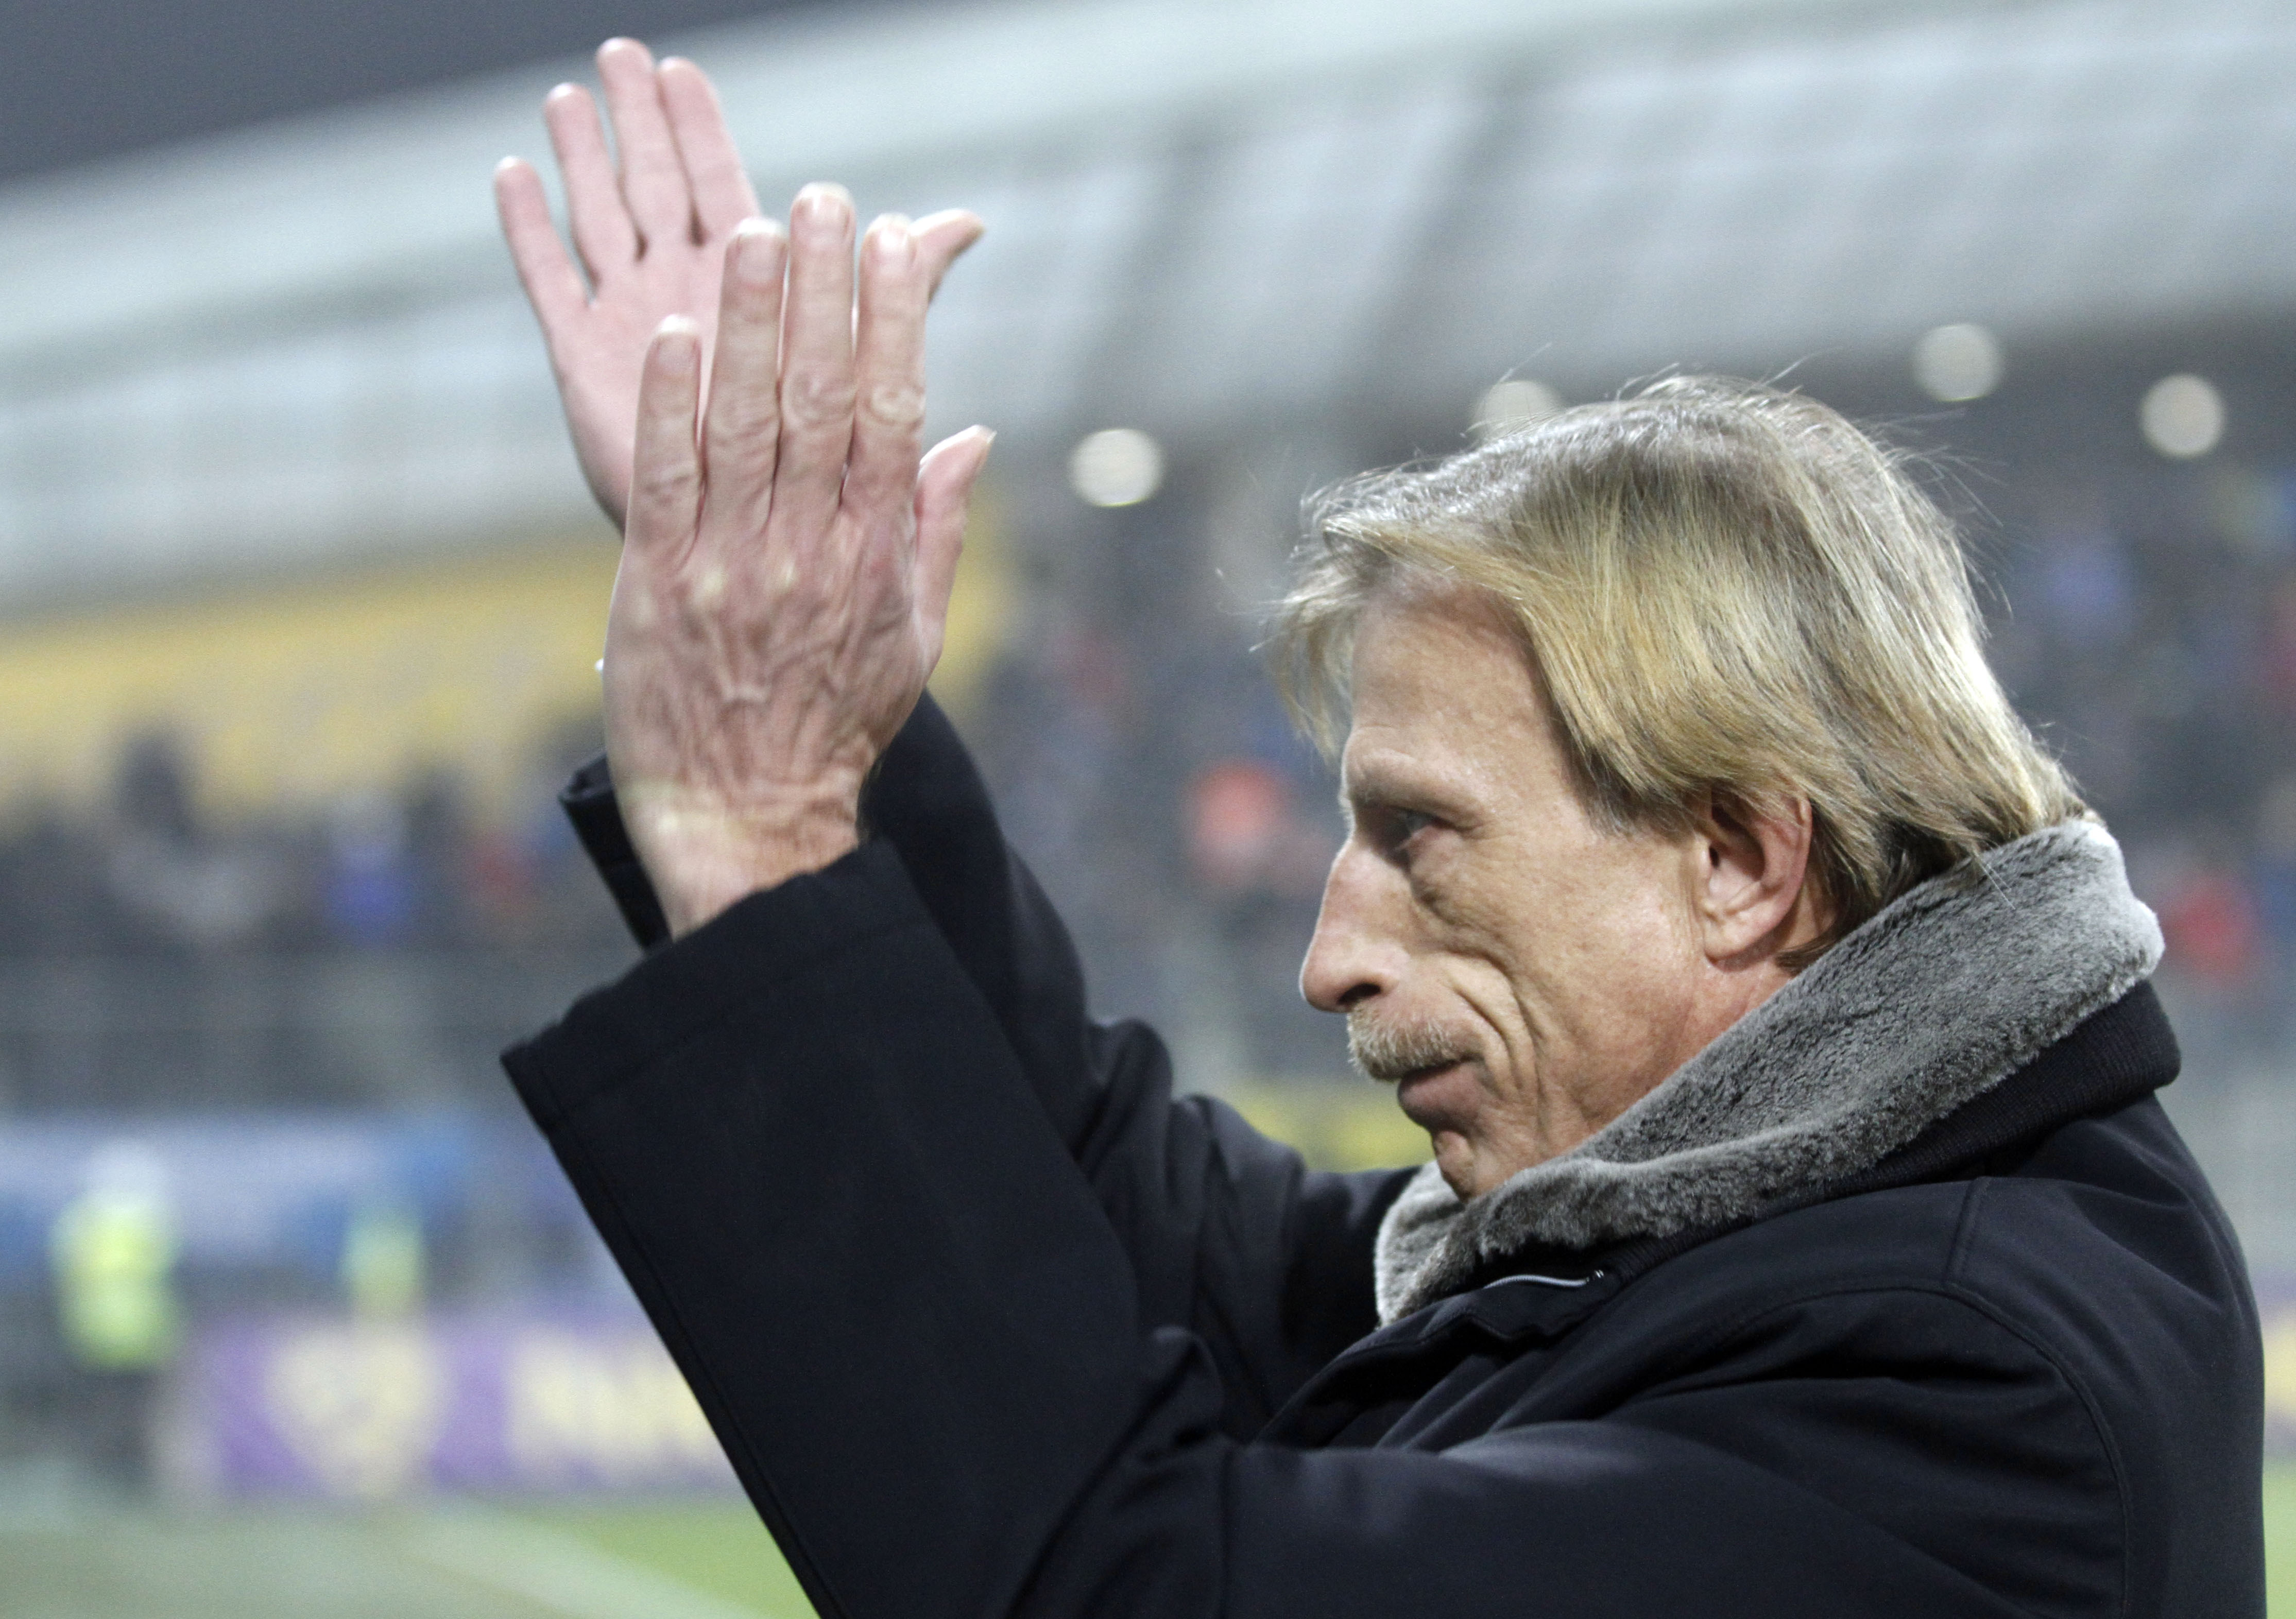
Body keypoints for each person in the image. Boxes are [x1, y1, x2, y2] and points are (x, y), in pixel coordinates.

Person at [496, 43, 2266, 1618]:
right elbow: (1124, 1229)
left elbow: (1129, 1589)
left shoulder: (1969, 1385)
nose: (1330, 958)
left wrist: (755, 834)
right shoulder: (1728, 1226)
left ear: (1737, 861)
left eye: (1422, 841)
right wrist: (825, 722)